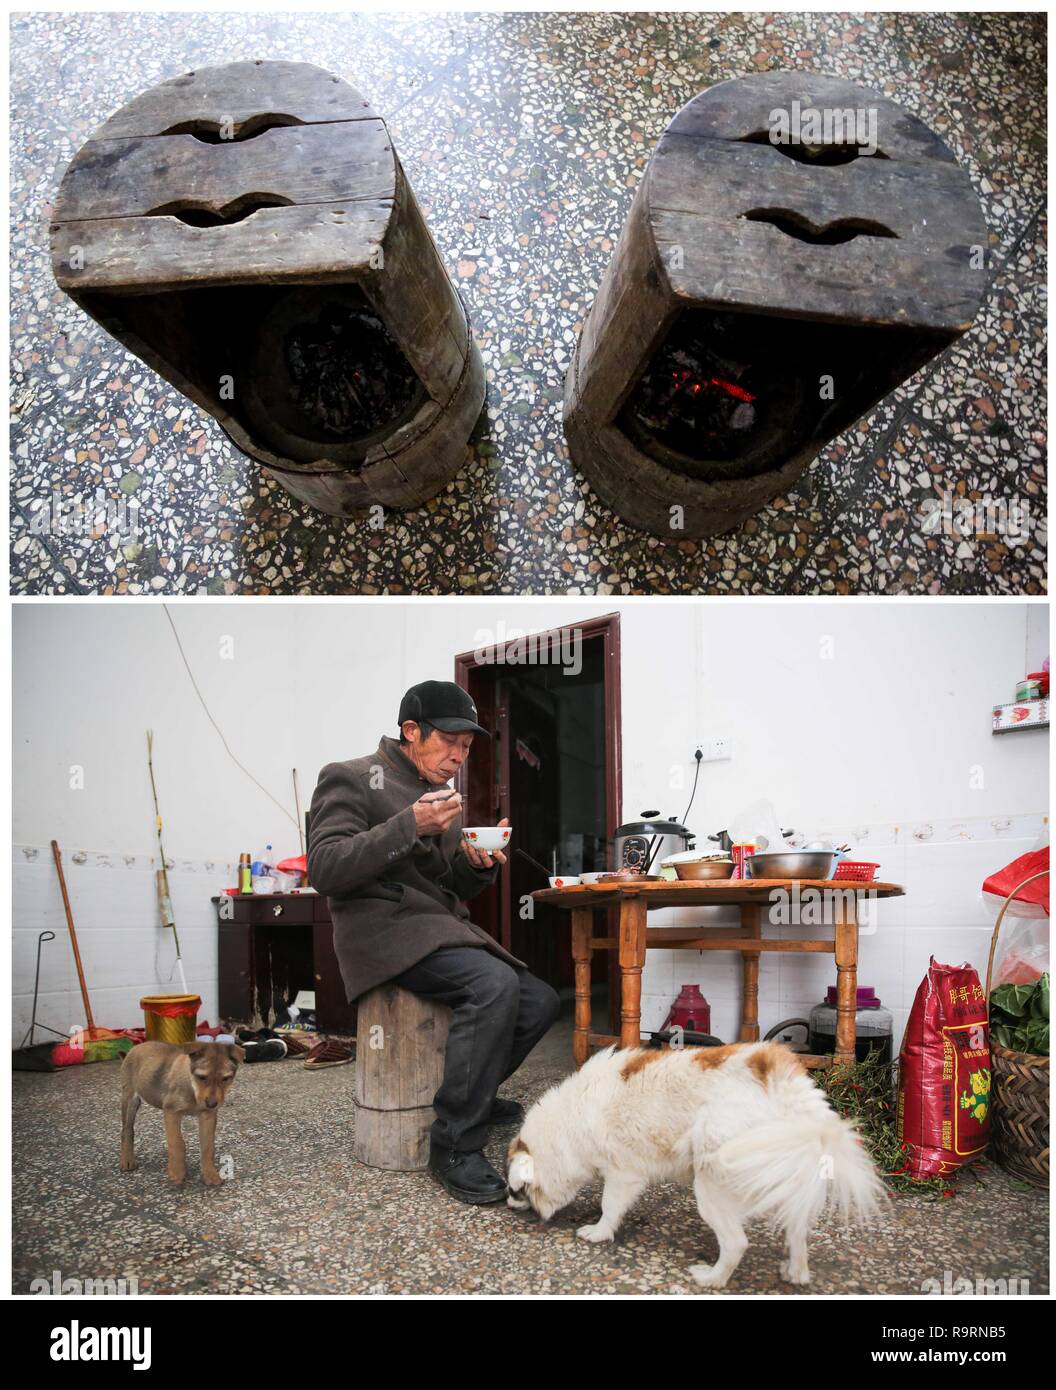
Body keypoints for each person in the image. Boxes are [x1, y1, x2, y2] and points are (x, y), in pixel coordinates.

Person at [307, 680, 560, 1203]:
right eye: (449, 741)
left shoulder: (441, 800)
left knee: (540, 1001)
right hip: (382, 932)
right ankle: (454, 1144)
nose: (458, 757)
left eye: (467, 748)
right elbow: (326, 867)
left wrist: (473, 865)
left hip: (436, 928)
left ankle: (474, 1095)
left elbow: (444, 886)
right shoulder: (352, 777)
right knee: (493, 986)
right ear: (411, 731)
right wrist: (409, 825)